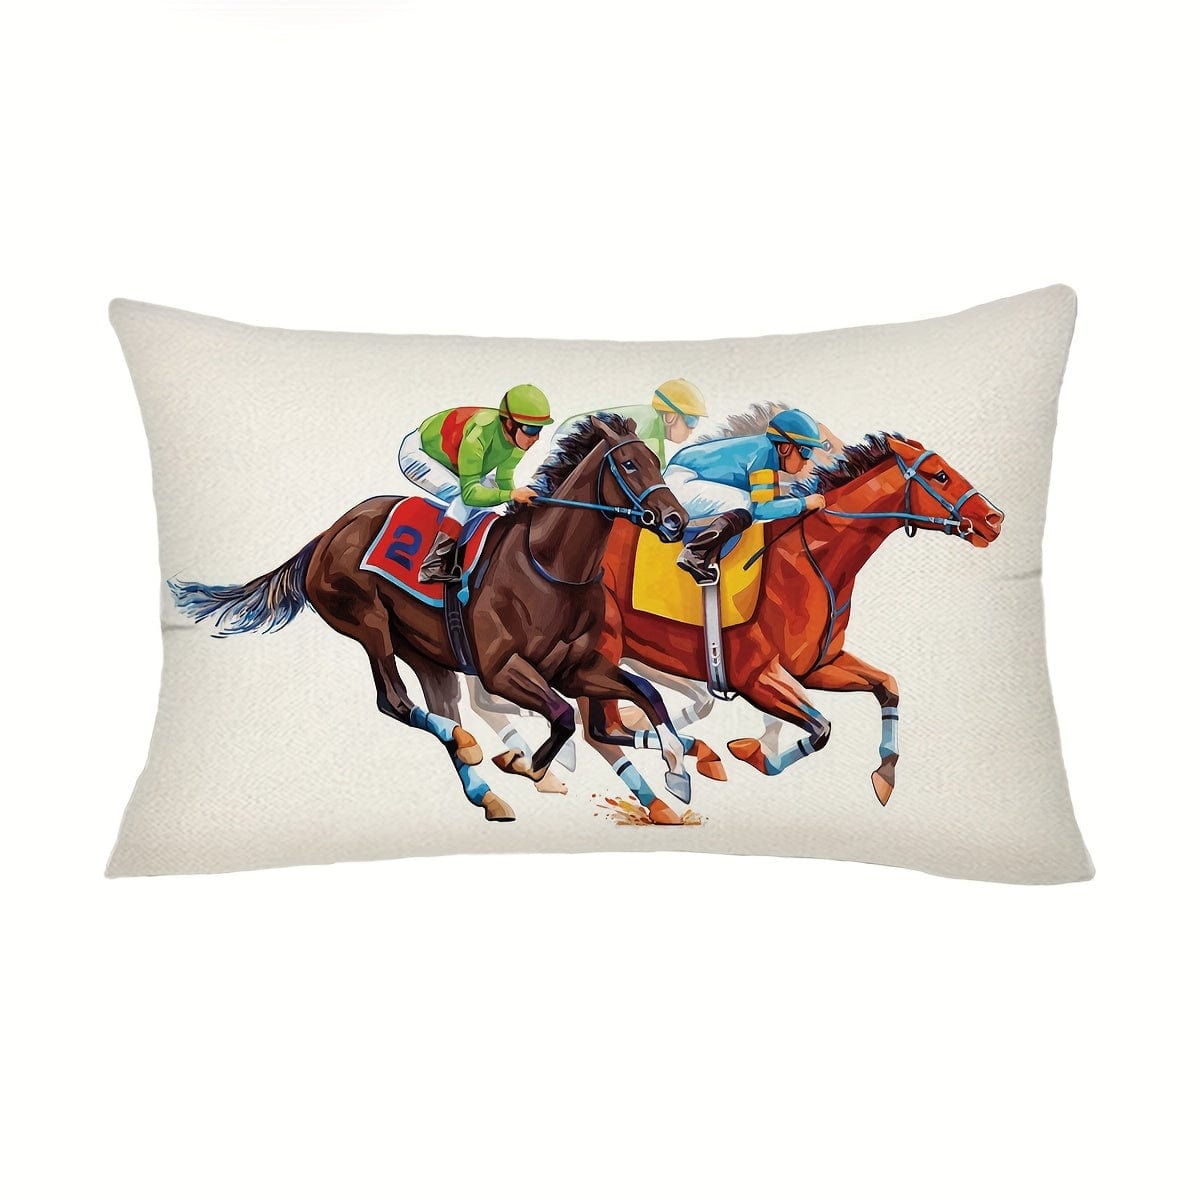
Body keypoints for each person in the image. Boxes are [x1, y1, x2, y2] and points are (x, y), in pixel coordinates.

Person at [397, 384, 555, 583]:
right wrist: (512, 495)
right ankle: (432, 565)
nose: (536, 438)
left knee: (490, 488)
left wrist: (520, 503)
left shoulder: (518, 443)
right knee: (463, 499)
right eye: (531, 429)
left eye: (539, 429)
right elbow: (470, 493)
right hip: (419, 454)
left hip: (453, 463)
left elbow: (503, 479)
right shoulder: (479, 432)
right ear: (509, 423)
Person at [664, 408, 831, 584]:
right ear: (785, 447)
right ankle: (696, 553)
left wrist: (798, 503)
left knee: (748, 504)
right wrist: (803, 503)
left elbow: (769, 505)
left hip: (687, 480)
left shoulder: (767, 453)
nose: (807, 461)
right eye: (806, 452)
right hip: (680, 483)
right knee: (747, 505)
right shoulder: (764, 453)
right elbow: (762, 510)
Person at [553, 378, 708, 466]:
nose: (692, 429)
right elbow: (652, 467)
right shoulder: (650, 420)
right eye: (691, 420)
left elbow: (659, 466)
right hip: (571, 435)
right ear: (670, 417)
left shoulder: (655, 427)